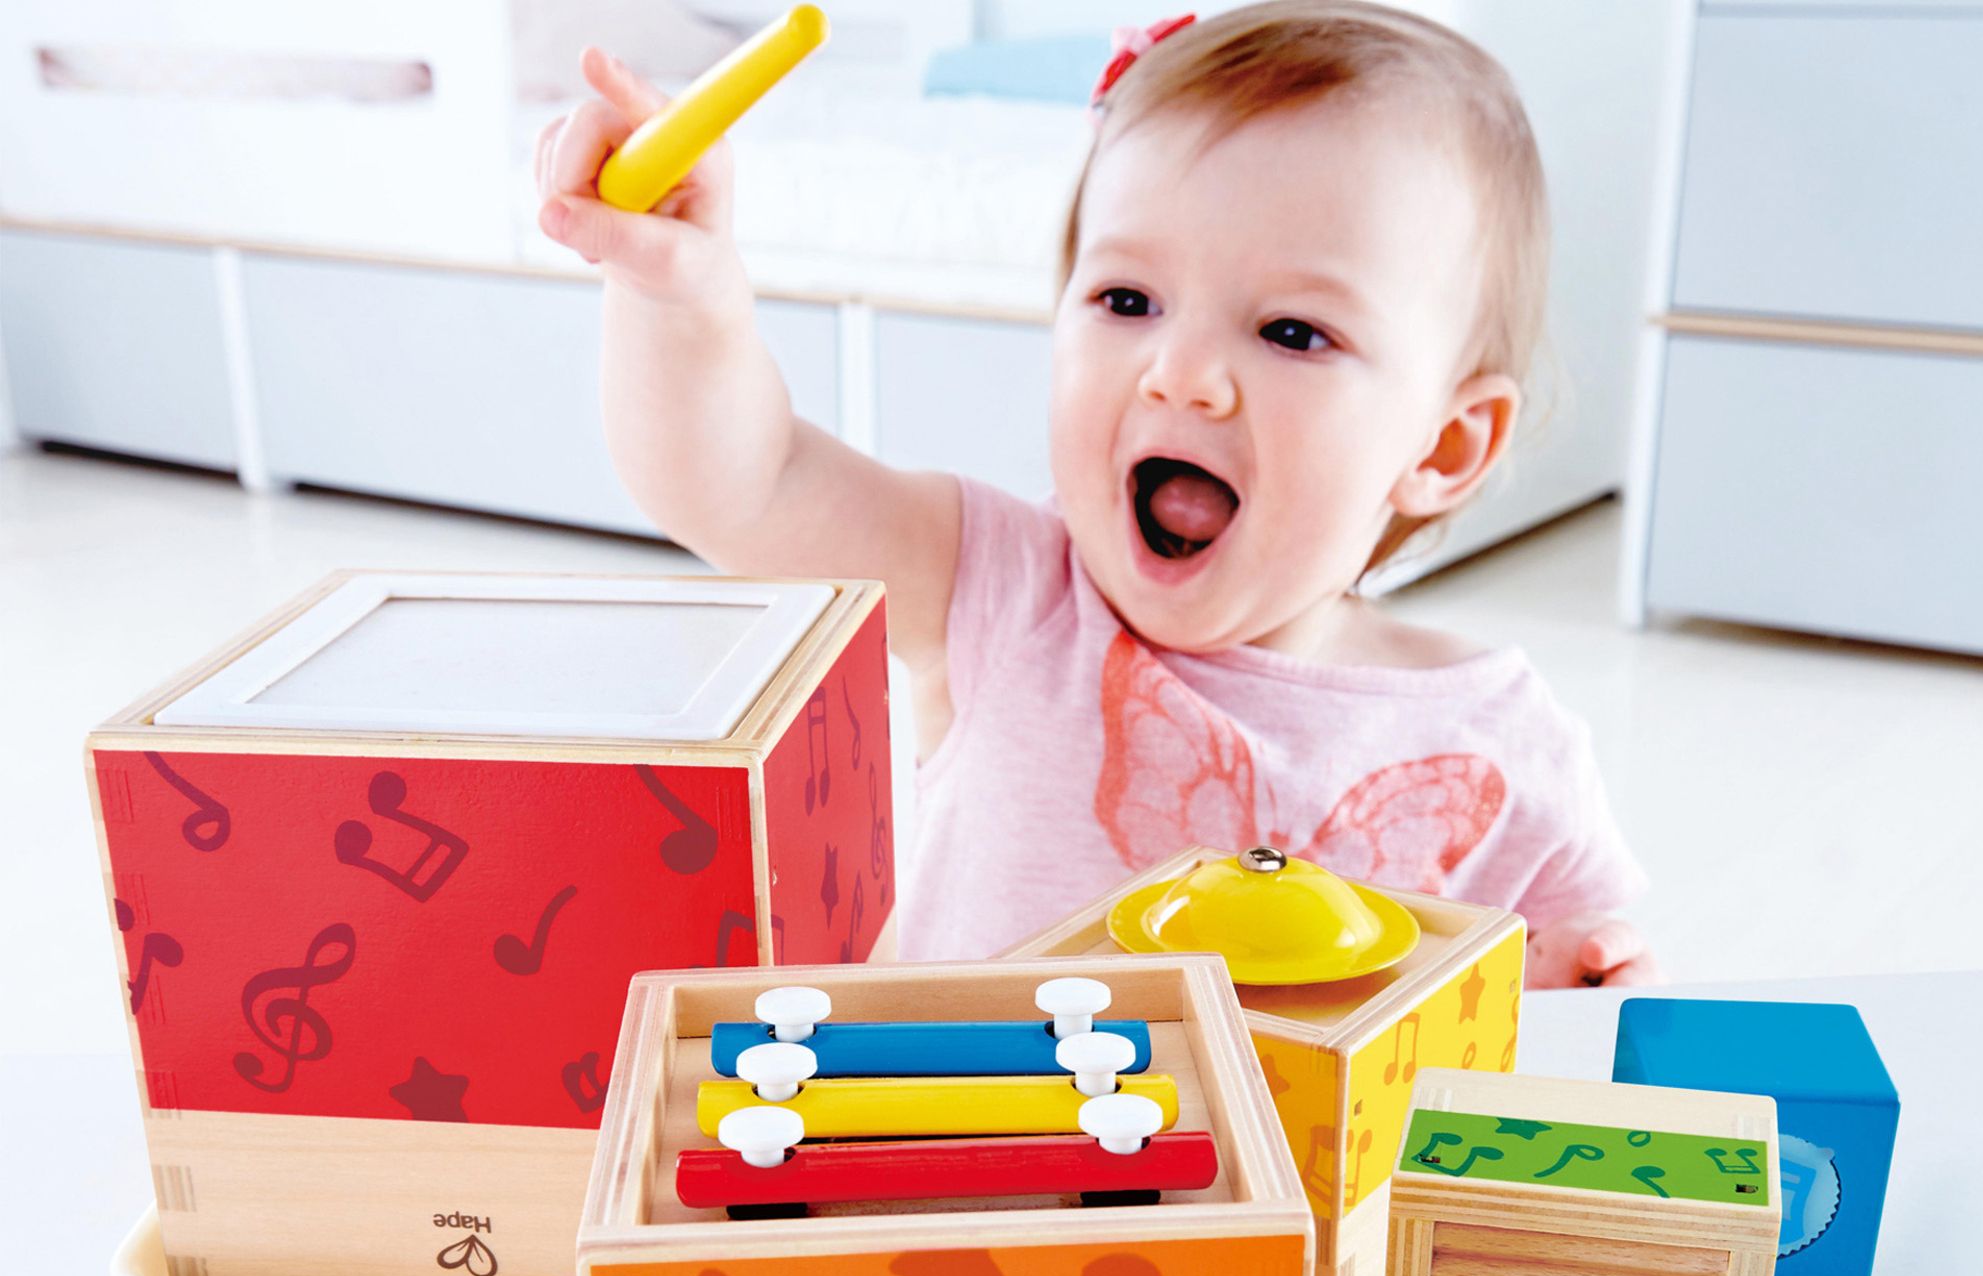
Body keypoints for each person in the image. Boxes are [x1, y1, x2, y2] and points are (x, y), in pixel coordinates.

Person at [535, 2, 1656, 986]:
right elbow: (742, 483)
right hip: (975, 1153)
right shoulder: (1004, 593)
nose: (1181, 373)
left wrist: (1586, 986)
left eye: (1290, 332)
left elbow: (1588, 990)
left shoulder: (1499, 744)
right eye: (1128, 301)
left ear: (1445, 444)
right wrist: (676, 297)